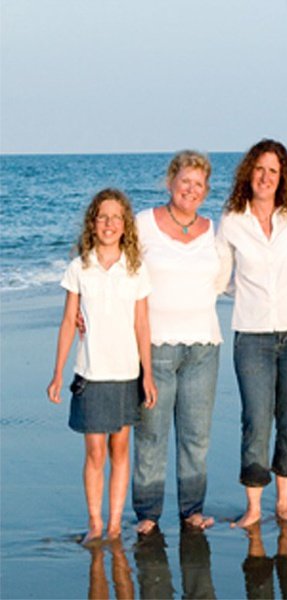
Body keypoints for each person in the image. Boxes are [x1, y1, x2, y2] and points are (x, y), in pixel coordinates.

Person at [217, 139, 287, 528]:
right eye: (259, 169)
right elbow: (219, 276)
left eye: (273, 171)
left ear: (283, 176)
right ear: (249, 172)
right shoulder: (232, 219)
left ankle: (284, 504)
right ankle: (254, 507)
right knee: (256, 419)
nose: (265, 177)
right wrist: (244, 290)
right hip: (252, 333)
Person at [47, 188, 157, 544]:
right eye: (102, 217)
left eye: (116, 218)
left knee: (119, 450)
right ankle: (95, 523)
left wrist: (148, 374)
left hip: (126, 374)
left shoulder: (135, 269)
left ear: (125, 225)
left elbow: (142, 324)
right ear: (92, 224)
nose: (109, 224)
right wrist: (57, 373)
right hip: (91, 374)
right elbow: (68, 321)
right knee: (95, 452)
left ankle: (114, 525)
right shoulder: (80, 267)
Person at [132, 150, 223, 534]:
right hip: (155, 347)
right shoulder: (143, 224)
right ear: (171, 182)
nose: (191, 189)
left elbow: (222, 280)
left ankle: (192, 511)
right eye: (185, 181)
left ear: (206, 190)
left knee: (195, 436)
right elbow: (119, 271)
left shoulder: (213, 230)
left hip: (204, 347)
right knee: (151, 435)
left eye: (198, 184)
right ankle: (148, 514)